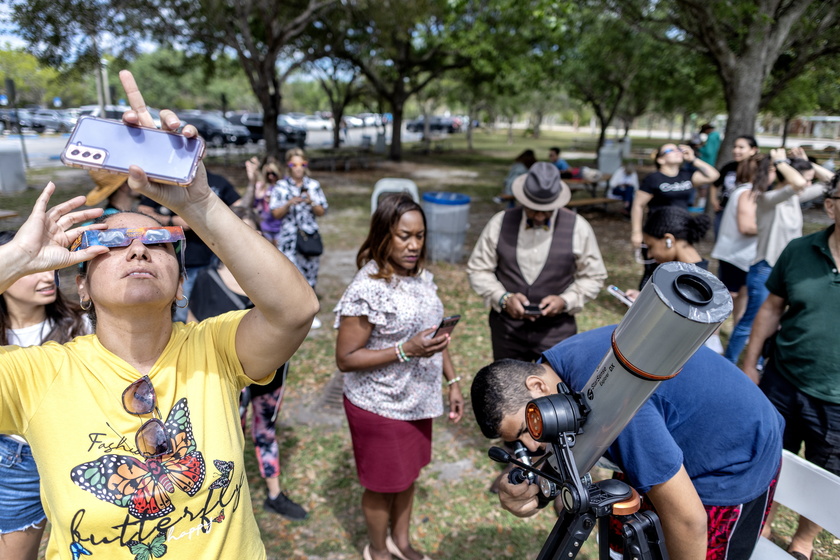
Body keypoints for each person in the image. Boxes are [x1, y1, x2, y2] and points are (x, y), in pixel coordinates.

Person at [0, 70, 319, 560]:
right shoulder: (38, 373)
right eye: (110, 241)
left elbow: (295, 310)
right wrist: (14, 260)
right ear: (81, 285)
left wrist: (200, 203)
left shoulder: (214, 349)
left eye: (156, 241)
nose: (137, 249)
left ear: (179, 281)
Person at [471, 326, 784, 560]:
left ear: (536, 385)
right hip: (672, 443)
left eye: (528, 428)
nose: (535, 446)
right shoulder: (553, 375)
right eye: (520, 441)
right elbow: (569, 448)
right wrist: (530, 488)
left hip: (734, 459)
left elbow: (689, 520)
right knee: (628, 545)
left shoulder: (616, 402)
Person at [334, 193, 464, 560]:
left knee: (408, 477)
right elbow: (345, 358)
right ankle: (377, 550)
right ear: (383, 235)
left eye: (420, 236)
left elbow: (435, 335)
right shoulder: (367, 287)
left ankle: (401, 542)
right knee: (381, 485)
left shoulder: (421, 277)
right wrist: (406, 350)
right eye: (404, 236)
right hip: (378, 405)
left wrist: (451, 382)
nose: (413, 245)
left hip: (419, 399)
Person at [741, 171, 840, 560]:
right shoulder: (799, 250)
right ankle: (761, 522)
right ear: (831, 205)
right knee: (770, 456)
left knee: (826, 471)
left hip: (835, 396)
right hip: (783, 380)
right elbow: (770, 308)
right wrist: (751, 363)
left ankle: (803, 539)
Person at [187, 206, 308, 521]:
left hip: (273, 374)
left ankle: (274, 494)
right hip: (228, 381)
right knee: (228, 434)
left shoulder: (271, 284)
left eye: (248, 233)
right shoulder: (206, 280)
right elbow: (192, 331)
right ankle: (226, 498)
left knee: (265, 430)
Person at [0, 232, 91, 560]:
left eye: (50, 266)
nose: (47, 275)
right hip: (10, 455)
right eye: (31, 267)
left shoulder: (79, 324)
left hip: (67, 450)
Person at [468, 162, 607, 362]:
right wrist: (503, 298)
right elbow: (478, 269)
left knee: (555, 389)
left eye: (547, 210)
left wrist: (565, 300)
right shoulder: (500, 223)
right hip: (507, 331)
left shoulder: (578, 227)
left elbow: (594, 276)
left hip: (556, 332)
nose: (540, 215)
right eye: (534, 209)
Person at [723, 147, 831, 364]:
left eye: (810, 180)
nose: (808, 184)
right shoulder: (767, 198)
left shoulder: (793, 199)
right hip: (765, 268)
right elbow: (799, 184)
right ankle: (729, 363)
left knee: (776, 321)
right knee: (749, 322)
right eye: (805, 178)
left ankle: (761, 363)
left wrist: (803, 161)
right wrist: (782, 161)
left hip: (790, 269)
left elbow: (831, 182)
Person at [138, 168, 241, 322]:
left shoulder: (216, 182)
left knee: (212, 312)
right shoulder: (166, 180)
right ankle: (184, 343)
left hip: (214, 260)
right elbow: (142, 210)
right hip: (181, 261)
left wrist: (215, 217)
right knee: (181, 312)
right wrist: (173, 221)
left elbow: (239, 207)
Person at [631, 143, 719, 288]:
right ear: (660, 159)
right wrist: (636, 232)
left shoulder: (686, 175)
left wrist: (693, 159)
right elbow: (638, 205)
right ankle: (645, 298)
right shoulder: (653, 179)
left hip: (681, 228)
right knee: (653, 269)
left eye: (678, 148)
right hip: (658, 231)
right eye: (670, 150)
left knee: (682, 267)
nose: (677, 151)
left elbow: (713, 175)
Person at [269, 147, 328, 328]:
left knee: (309, 276)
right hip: (288, 239)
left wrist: (311, 202)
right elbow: (275, 213)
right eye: (294, 164)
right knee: (289, 277)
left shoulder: (313, 185)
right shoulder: (281, 186)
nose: (298, 168)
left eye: (302, 164)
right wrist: (289, 202)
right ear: (288, 166)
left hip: (308, 236)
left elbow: (322, 211)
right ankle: (290, 315)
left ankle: (309, 315)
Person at [710, 174, 757, 335]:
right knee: (726, 298)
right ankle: (710, 336)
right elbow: (745, 227)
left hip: (744, 255)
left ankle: (738, 333)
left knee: (742, 296)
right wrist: (772, 227)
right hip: (735, 254)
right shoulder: (747, 192)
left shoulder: (751, 191)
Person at [710, 136, 760, 238]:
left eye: (741, 147)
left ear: (753, 150)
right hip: (724, 211)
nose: (736, 150)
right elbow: (715, 184)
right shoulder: (729, 167)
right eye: (735, 147)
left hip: (749, 214)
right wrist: (714, 201)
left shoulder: (758, 170)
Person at [240, 157, 284, 247]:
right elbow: (252, 205)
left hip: (280, 226)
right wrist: (260, 196)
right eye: (268, 173)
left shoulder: (284, 186)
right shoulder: (262, 187)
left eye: (273, 173)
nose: (271, 176)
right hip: (265, 226)